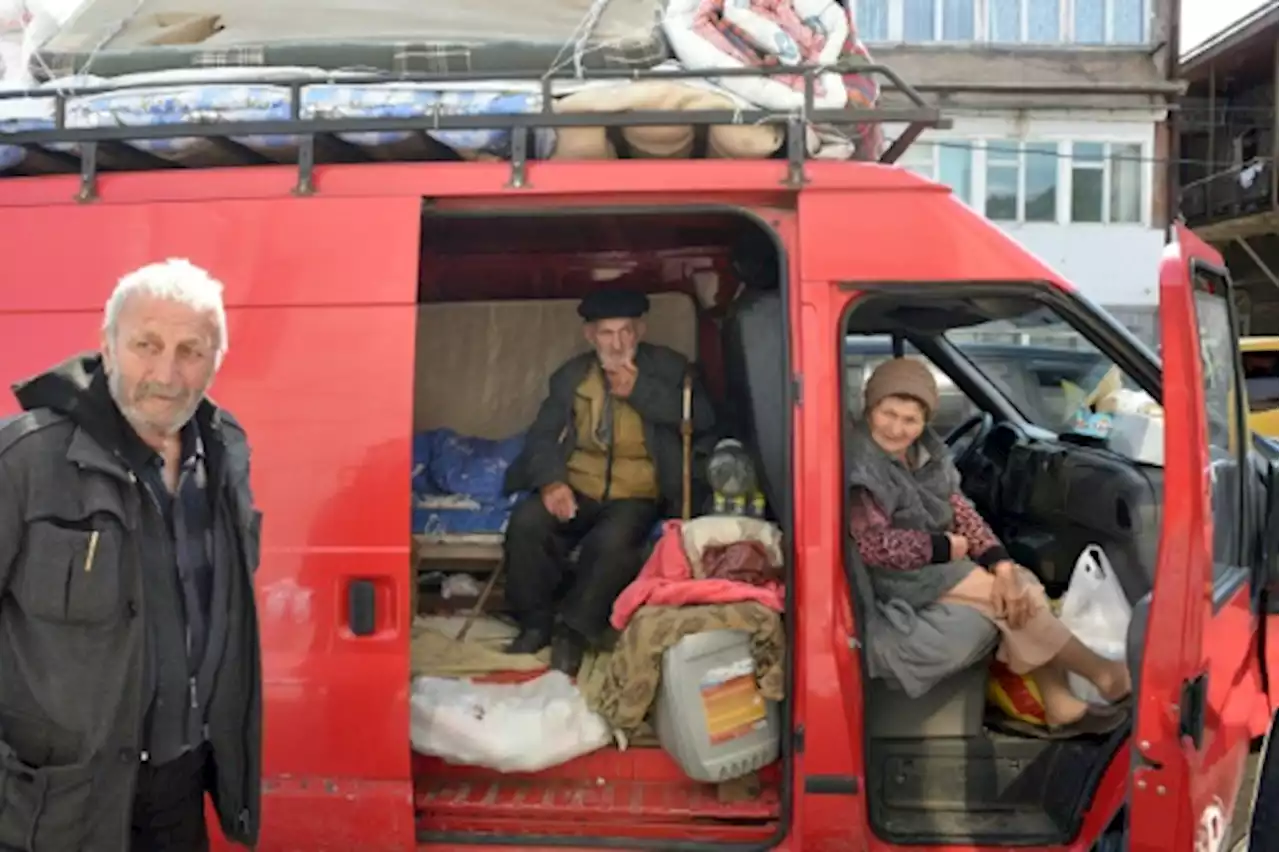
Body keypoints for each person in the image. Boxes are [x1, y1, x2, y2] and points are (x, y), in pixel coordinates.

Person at [0, 259, 262, 851]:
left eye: (190, 350)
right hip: (55, 804)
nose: (167, 373)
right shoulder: (22, 462)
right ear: (108, 346)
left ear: (216, 359)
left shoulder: (224, 458)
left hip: (177, 790)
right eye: (147, 344)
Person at [848, 358, 1132, 734]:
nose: (897, 428)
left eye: (910, 420)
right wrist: (942, 547)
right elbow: (872, 545)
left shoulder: (927, 454)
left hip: (936, 566)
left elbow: (960, 509)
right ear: (871, 409)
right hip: (893, 577)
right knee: (1012, 599)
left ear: (925, 422)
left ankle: (1060, 703)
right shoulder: (862, 467)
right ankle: (1105, 675)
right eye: (889, 414)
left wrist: (998, 562)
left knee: (1020, 581)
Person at [502, 288, 715, 674]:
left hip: (635, 493)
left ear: (640, 331)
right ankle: (535, 624)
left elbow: (704, 419)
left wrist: (640, 393)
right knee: (527, 524)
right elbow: (543, 436)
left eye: (626, 332)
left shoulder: (672, 369)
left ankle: (574, 629)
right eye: (606, 333)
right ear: (589, 335)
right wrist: (552, 482)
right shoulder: (571, 376)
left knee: (613, 543)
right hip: (579, 485)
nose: (617, 343)